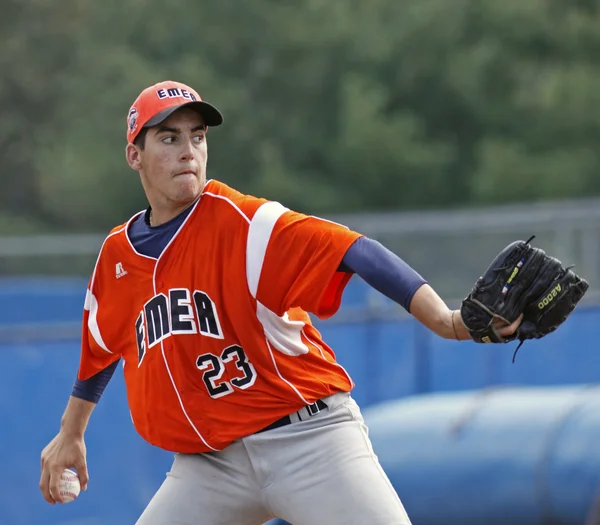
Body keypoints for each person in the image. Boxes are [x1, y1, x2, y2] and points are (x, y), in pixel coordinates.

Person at [39, 80, 520, 525]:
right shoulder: (117, 255)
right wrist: (71, 433)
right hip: (210, 467)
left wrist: (446, 320)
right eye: (168, 138)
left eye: (198, 136)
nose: (188, 151)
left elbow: (356, 250)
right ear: (134, 155)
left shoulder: (245, 223)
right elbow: (101, 345)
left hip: (309, 440)